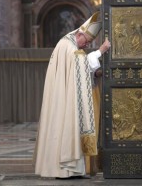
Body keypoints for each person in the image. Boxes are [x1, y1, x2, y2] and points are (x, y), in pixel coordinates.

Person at [34, 11, 111, 178]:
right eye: (87, 41)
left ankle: (70, 170)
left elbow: (77, 72)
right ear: (80, 33)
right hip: (64, 101)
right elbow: (80, 65)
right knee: (68, 126)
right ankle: (65, 169)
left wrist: (95, 73)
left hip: (65, 97)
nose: (86, 45)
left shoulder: (68, 44)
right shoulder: (68, 46)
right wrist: (100, 50)